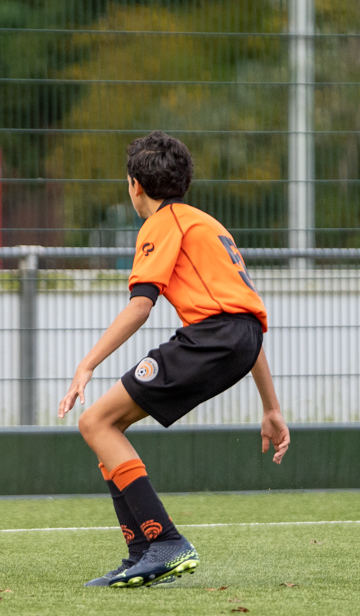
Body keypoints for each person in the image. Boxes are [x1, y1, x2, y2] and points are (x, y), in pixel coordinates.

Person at [58, 131, 290, 588]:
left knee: (95, 423)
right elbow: (250, 321)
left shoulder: (162, 224)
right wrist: (271, 406)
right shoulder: (209, 224)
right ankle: (142, 551)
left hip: (213, 338)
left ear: (134, 186)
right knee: (106, 426)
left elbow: (142, 304)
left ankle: (164, 542)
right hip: (240, 339)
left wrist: (87, 364)